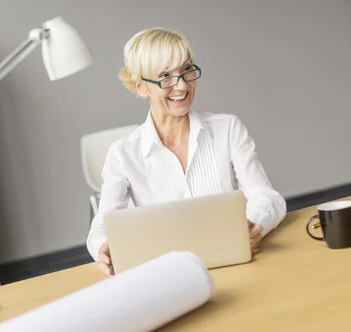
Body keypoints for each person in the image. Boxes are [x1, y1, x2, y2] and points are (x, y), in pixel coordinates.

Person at [86, 27, 287, 276]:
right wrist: (104, 247)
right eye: (165, 76)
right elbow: (101, 227)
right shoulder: (123, 154)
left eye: (187, 70)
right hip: (169, 275)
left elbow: (267, 196)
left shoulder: (227, 128)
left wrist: (254, 226)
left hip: (235, 264)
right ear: (140, 87)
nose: (181, 85)